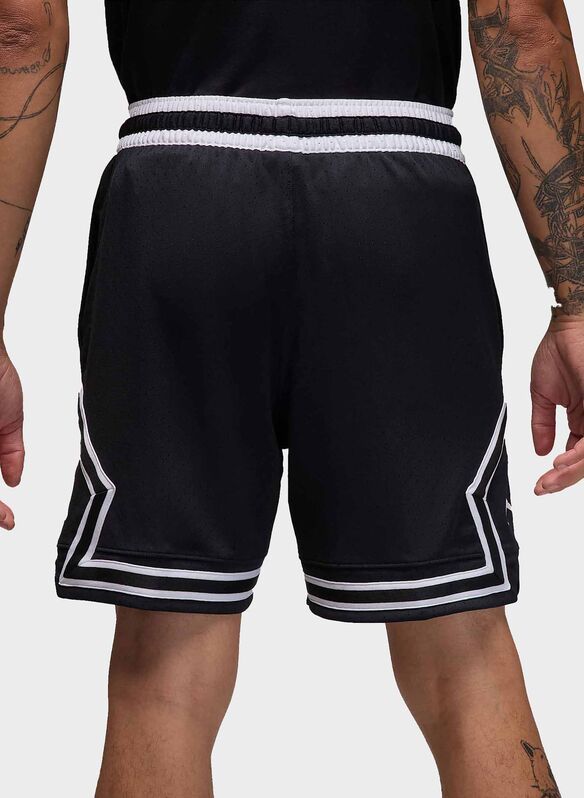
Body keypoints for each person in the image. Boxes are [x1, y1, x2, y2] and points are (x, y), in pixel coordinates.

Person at [0, 0, 581, 795]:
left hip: (181, 185)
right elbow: (520, 23)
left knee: (163, 672)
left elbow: (20, 27)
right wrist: (578, 303)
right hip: (397, 195)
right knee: (464, 654)